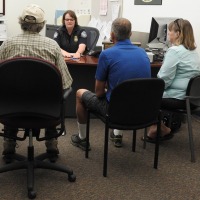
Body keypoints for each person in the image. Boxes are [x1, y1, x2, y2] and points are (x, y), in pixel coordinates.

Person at [0, 4, 73, 161]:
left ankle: (9, 145)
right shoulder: (52, 46)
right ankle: (51, 145)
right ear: (41, 25)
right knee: (53, 93)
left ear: (21, 22)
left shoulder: (6, 45)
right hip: (46, 111)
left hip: (11, 109)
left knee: (12, 91)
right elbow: (66, 83)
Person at [70, 17, 151, 150]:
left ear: (112, 35)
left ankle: (82, 139)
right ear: (130, 34)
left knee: (80, 94)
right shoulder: (143, 53)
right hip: (141, 111)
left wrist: (108, 88)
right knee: (124, 93)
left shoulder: (107, 54)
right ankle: (117, 135)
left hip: (115, 112)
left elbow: (98, 92)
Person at [144, 18, 200, 142]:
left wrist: (151, 90)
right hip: (193, 99)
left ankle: (160, 129)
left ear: (178, 34)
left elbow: (164, 80)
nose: (168, 33)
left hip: (178, 99)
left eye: (170, 31)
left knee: (145, 96)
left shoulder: (174, 51)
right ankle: (158, 127)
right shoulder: (193, 52)